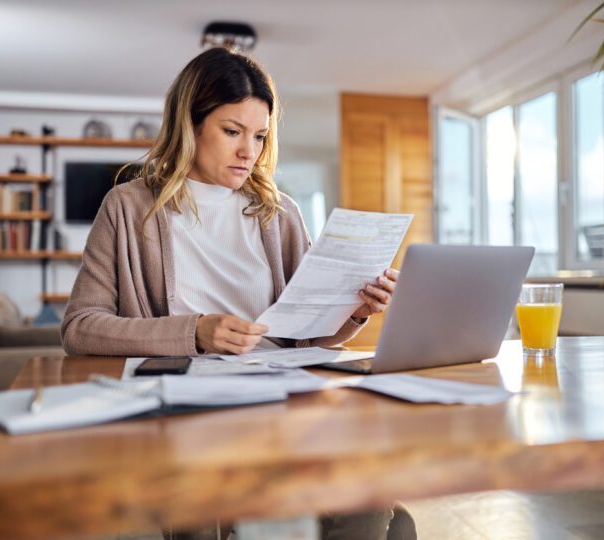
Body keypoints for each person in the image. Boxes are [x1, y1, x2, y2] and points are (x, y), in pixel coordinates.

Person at [61, 47, 413, 540]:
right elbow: (79, 328)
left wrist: (353, 311)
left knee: (372, 498)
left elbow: (305, 338)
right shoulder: (127, 207)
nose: (249, 150)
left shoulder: (279, 212)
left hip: (282, 398)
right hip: (185, 402)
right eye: (232, 131)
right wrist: (195, 332)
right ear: (191, 124)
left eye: (260, 135)